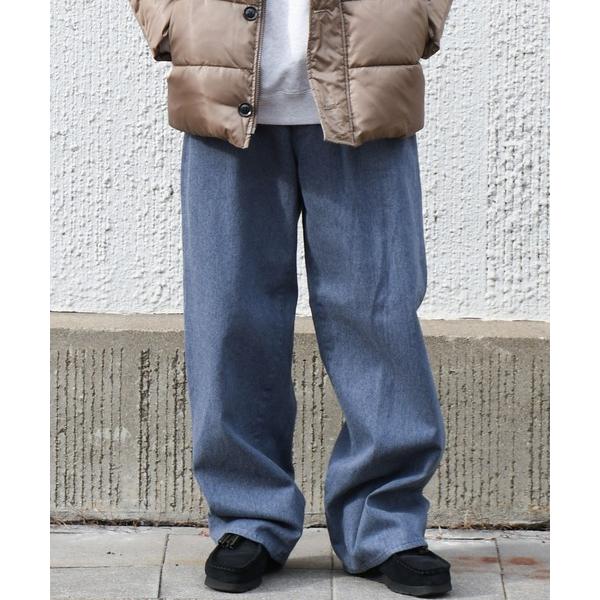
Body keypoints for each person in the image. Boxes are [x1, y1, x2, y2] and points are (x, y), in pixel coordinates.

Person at [129, 0, 454, 596]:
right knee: (228, 316)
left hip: (368, 82)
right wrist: (172, 22)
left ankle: (385, 524)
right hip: (222, 91)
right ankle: (248, 517)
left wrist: (418, 17)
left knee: (378, 314)